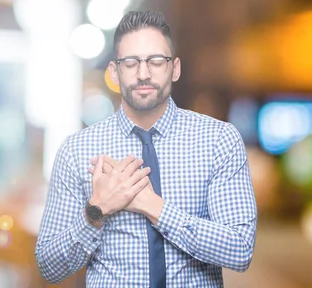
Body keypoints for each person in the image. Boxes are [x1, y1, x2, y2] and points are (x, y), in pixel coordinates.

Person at [35, 10, 257, 287]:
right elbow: (48, 265)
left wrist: (155, 208)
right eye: (131, 63)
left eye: (155, 61)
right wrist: (97, 209)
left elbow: (240, 250)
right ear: (115, 72)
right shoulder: (77, 150)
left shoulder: (219, 140)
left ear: (174, 68)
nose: (143, 74)